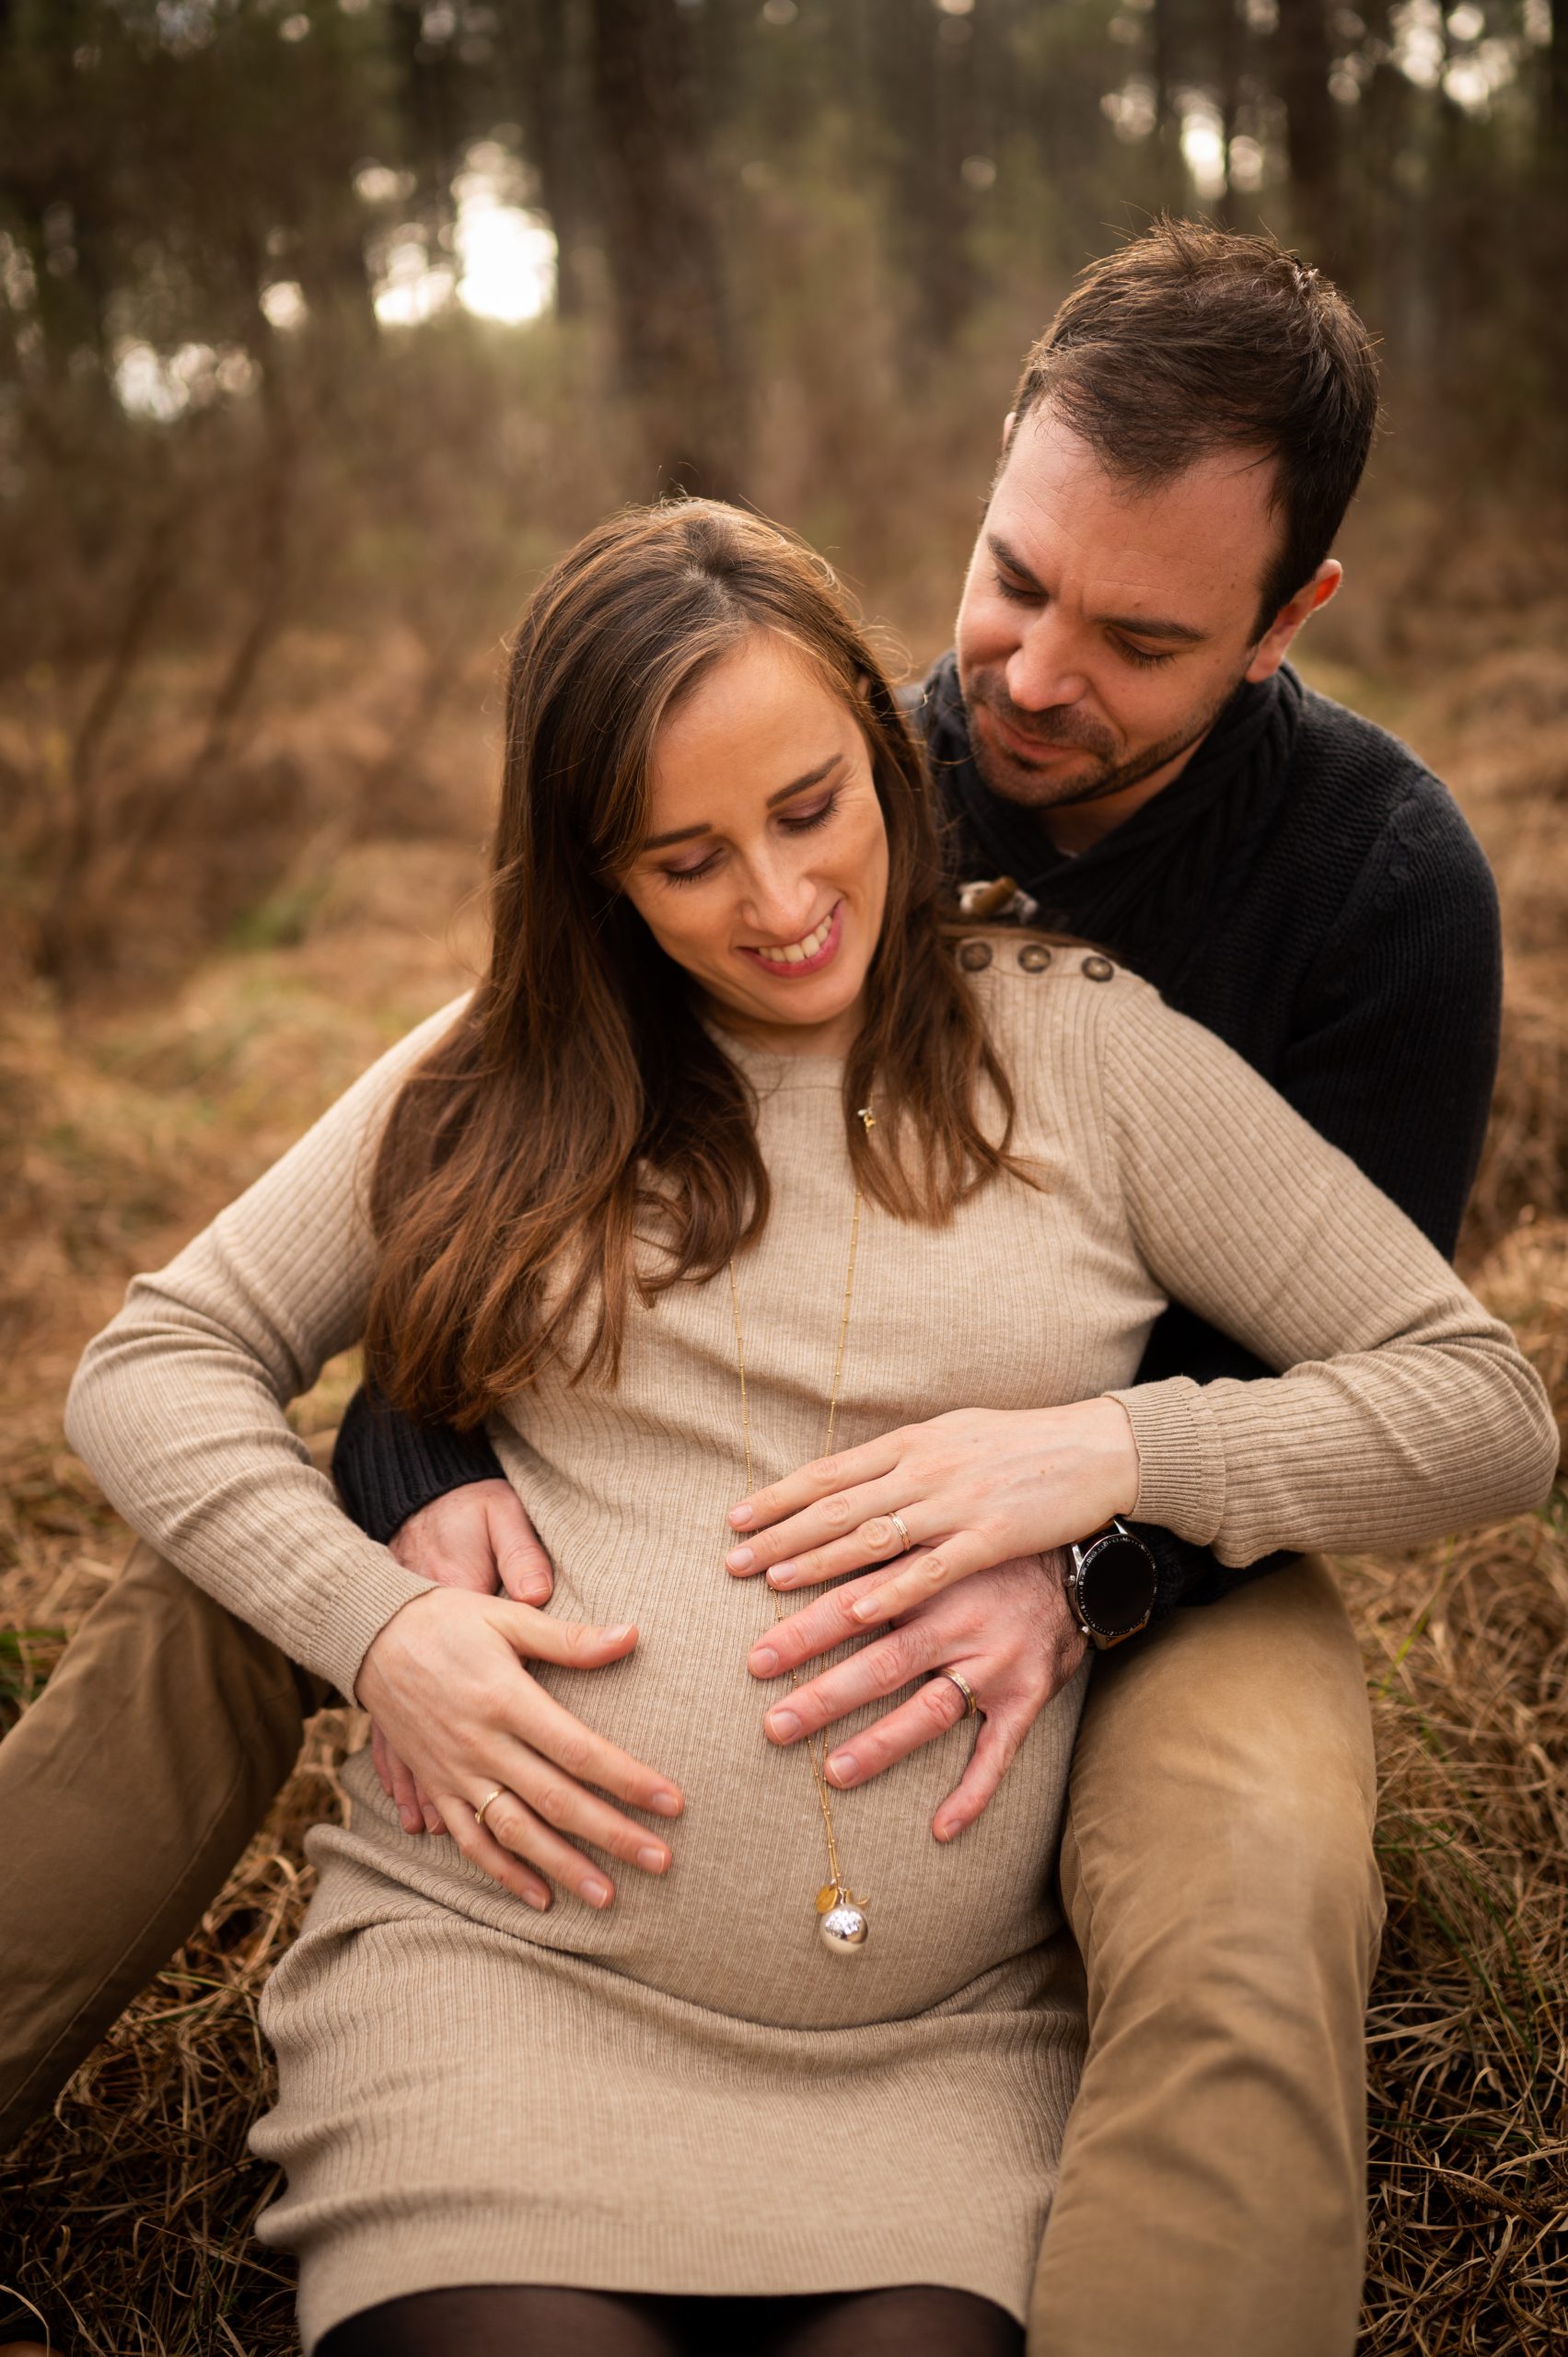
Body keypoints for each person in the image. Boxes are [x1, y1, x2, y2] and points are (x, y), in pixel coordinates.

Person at [0, 225, 1515, 2356]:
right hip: (526, 1988)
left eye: (1140, 635)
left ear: (1286, 624)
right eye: (1013, 578)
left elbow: (1425, 1389)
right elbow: (399, 1216)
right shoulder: (810, 763)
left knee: (1252, 1870)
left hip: (1184, 1541)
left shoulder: (1359, 901)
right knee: (211, 1576)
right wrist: (402, 1515)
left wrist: (1085, 1528)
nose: (1034, 675)